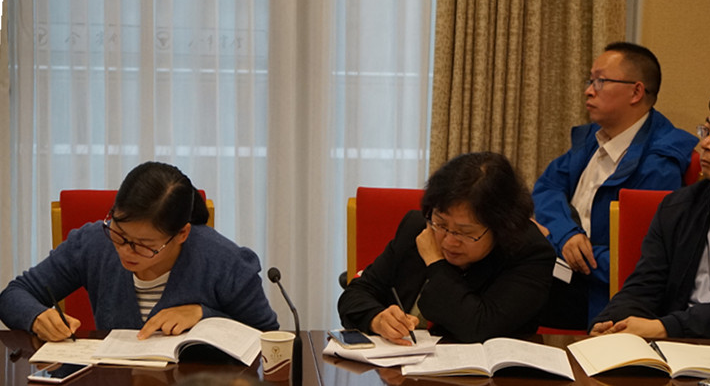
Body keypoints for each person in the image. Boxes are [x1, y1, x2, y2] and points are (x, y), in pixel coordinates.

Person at [0, 161, 279, 341]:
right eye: (119, 234)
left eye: (144, 245)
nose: (126, 251)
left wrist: (204, 316)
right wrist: (36, 317)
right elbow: (14, 295)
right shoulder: (92, 243)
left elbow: (267, 337)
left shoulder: (224, 261)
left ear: (182, 234)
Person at [532, 42, 698, 328]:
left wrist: (563, 249)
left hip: (598, 293)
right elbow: (547, 186)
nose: (588, 90)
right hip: (566, 266)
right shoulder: (593, 138)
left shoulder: (659, 163)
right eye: (589, 80)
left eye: (600, 81)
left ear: (636, 92)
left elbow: (639, 263)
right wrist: (566, 235)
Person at [590, 83, 710, 339]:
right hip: (678, 346)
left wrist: (666, 327)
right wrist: (611, 323)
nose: (705, 144)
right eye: (707, 131)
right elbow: (644, 286)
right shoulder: (678, 207)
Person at [338, 152, 555, 344]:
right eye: (441, 224)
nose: (449, 241)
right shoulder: (418, 228)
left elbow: (478, 327)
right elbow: (356, 293)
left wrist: (436, 264)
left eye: (465, 232)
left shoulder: (530, 253)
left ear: (501, 227)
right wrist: (377, 319)